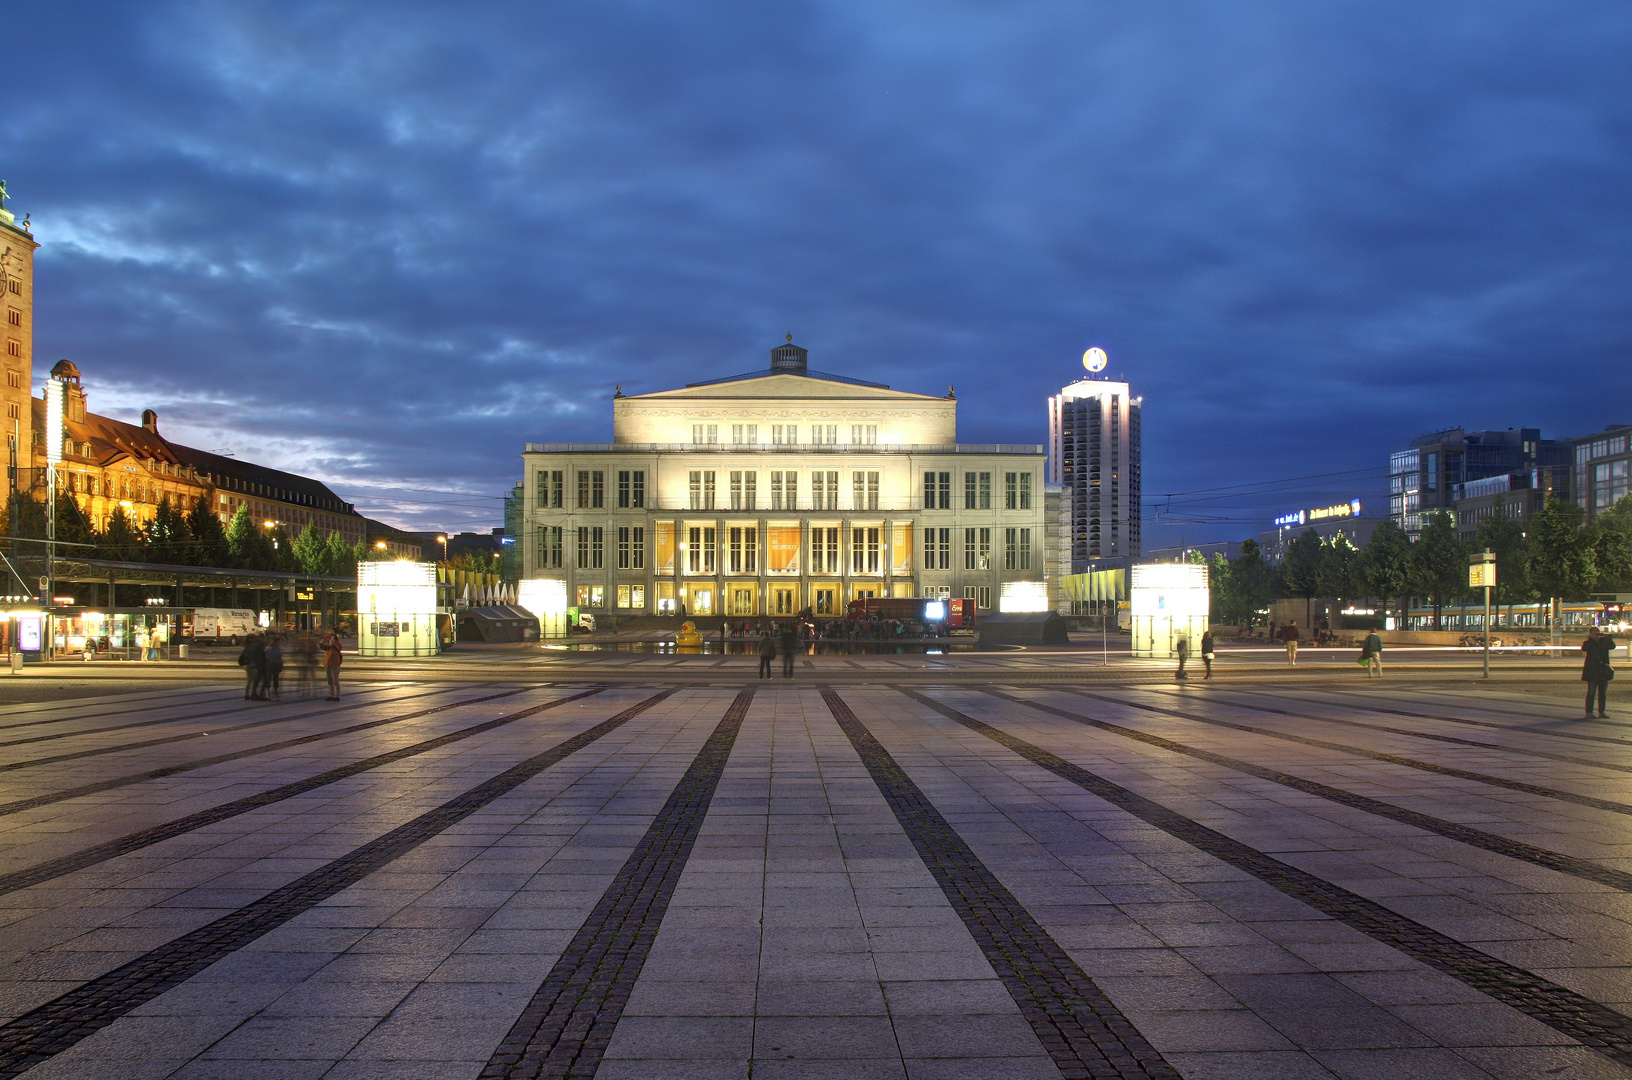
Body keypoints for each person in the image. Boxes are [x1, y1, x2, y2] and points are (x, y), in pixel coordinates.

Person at [1581, 626, 1617, 718]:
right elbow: (1585, 648)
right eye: (1594, 632)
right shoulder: (1588, 643)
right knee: (1591, 692)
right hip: (1592, 672)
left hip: (1603, 672)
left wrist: (1608, 638)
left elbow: (1612, 646)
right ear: (1590, 634)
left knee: (1603, 693)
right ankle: (1589, 712)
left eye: (1597, 632)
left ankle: (1602, 712)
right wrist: (1593, 639)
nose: (1596, 634)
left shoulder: (1603, 642)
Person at [238, 634, 267, 700]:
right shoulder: (252, 647)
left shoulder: (247, 646)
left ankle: (248, 694)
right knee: (253, 679)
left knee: (250, 679)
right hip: (250, 664)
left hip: (247, 664)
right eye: (252, 638)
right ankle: (252, 694)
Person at [321, 632, 344, 700]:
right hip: (328, 664)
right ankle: (331, 695)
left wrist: (334, 642)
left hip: (335, 664)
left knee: (335, 680)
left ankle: (337, 695)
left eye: (332, 638)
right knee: (329, 681)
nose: (330, 639)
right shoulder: (328, 646)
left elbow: (339, 647)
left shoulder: (336, 645)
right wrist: (322, 640)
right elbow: (322, 646)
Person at [264, 635, 284, 701]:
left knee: (276, 678)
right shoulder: (268, 648)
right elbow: (265, 657)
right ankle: (268, 691)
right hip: (270, 665)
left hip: (276, 665)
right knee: (269, 678)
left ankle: (275, 691)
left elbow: (279, 657)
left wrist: (280, 664)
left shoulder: (277, 648)